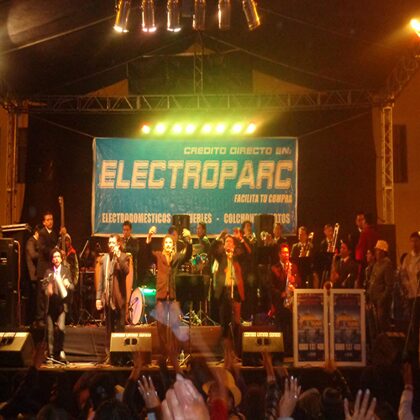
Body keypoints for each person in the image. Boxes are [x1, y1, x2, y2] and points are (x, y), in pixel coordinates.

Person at [146, 225, 192, 370]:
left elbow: (188, 255)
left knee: (174, 326)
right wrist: (149, 238)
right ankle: (163, 355)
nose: (168, 245)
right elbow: (147, 253)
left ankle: (173, 355)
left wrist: (189, 241)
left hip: (172, 295)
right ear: (163, 245)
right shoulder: (159, 255)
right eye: (166, 242)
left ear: (173, 245)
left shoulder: (177, 257)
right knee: (161, 326)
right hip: (161, 295)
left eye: (170, 243)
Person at [209, 231, 245, 363]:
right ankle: (226, 354)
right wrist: (219, 238)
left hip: (236, 292)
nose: (228, 244)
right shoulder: (221, 256)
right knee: (224, 324)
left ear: (234, 246)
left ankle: (235, 353)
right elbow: (212, 249)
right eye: (226, 242)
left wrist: (241, 239)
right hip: (224, 292)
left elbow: (248, 252)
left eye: (230, 242)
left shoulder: (237, 256)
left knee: (236, 323)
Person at [96, 234, 130, 358]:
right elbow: (101, 280)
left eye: (113, 243)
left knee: (119, 329)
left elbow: (126, 271)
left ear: (118, 244)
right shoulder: (105, 258)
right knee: (109, 329)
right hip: (108, 298)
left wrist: (118, 256)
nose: (110, 245)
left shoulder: (124, 257)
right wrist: (98, 297)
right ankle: (109, 356)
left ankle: (120, 356)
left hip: (119, 299)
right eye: (109, 243)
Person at [44, 248, 74, 362]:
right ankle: (51, 355)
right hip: (51, 306)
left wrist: (68, 284)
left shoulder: (66, 271)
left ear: (61, 259)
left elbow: (72, 287)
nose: (56, 259)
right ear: (52, 260)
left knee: (61, 328)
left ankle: (60, 350)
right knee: (50, 331)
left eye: (58, 256)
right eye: (54, 257)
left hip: (61, 305)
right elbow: (43, 288)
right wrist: (48, 290)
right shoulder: (48, 272)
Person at [269, 244, 299, 352]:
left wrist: (295, 282)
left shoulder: (293, 267)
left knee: (291, 327)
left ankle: (291, 350)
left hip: (291, 302)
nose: (286, 255)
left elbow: (299, 281)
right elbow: (270, 287)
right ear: (279, 254)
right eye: (284, 252)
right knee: (281, 327)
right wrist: (281, 293)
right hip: (280, 303)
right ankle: (281, 351)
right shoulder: (274, 268)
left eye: (287, 252)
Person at [36, 211, 61, 326]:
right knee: (42, 295)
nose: (50, 222)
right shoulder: (42, 233)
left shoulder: (54, 234)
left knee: (51, 294)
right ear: (44, 222)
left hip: (51, 268)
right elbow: (43, 248)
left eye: (51, 219)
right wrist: (55, 252)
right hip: (43, 269)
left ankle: (49, 318)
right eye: (48, 220)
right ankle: (40, 318)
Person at [400, 231, 420, 363]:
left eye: (416, 241)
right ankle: (413, 349)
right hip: (412, 295)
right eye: (412, 241)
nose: (414, 244)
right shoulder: (407, 259)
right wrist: (408, 287)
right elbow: (403, 275)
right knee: (413, 323)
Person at [367, 240, 394, 333]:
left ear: (383, 252)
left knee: (381, 325)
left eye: (378, 250)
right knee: (375, 326)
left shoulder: (387, 265)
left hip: (381, 303)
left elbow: (389, 285)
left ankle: (384, 340)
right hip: (374, 300)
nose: (376, 252)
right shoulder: (376, 264)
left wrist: (382, 298)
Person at [25, 225, 40, 324]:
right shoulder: (31, 241)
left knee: (36, 298)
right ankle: (31, 320)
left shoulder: (35, 242)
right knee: (33, 298)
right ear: (37, 233)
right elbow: (33, 255)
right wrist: (42, 252)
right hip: (32, 275)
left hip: (35, 275)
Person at [63, 233, 79, 324]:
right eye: (65, 240)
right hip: (62, 279)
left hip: (71, 279)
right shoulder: (61, 252)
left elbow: (76, 267)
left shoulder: (73, 252)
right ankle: (65, 319)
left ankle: (73, 319)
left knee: (71, 300)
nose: (66, 242)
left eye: (67, 240)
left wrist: (75, 280)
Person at [122, 221, 140, 289]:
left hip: (131, 267)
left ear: (130, 230)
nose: (125, 232)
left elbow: (136, 250)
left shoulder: (134, 241)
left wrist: (125, 249)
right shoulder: (120, 241)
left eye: (127, 230)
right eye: (124, 230)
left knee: (131, 286)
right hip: (122, 267)